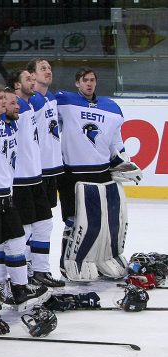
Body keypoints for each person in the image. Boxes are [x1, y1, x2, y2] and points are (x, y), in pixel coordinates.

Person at [0, 85, 45, 309]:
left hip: (7, 193)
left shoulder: (6, 122)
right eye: (0, 98)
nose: (5, 101)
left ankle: (19, 287)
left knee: (16, 241)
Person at [56, 67, 131, 276]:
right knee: (74, 220)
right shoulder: (64, 101)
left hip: (102, 172)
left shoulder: (111, 108)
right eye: (85, 80)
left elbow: (117, 143)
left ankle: (98, 259)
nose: (89, 83)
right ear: (77, 83)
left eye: (92, 80)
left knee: (103, 221)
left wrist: (124, 162)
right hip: (72, 173)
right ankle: (67, 262)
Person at [9, 68, 64, 288]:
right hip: (20, 180)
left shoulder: (31, 104)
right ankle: (20, 276)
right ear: (16, 84)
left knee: (44, 224)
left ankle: (40, 270)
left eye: (34, 78)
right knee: (23, 231)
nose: (33, 82)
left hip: (36, 176)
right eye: (28, 79)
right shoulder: (14, 107)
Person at [28, 57, 67, 283]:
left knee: (43, 222)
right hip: (37, 171)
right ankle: (31, 269)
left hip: (52, 170)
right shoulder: (32, 101)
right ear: (32, 76)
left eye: (50, 68)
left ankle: (38, 269)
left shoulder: (50, 98)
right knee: (34, 223)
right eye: (43, 69)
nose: (48, 72)